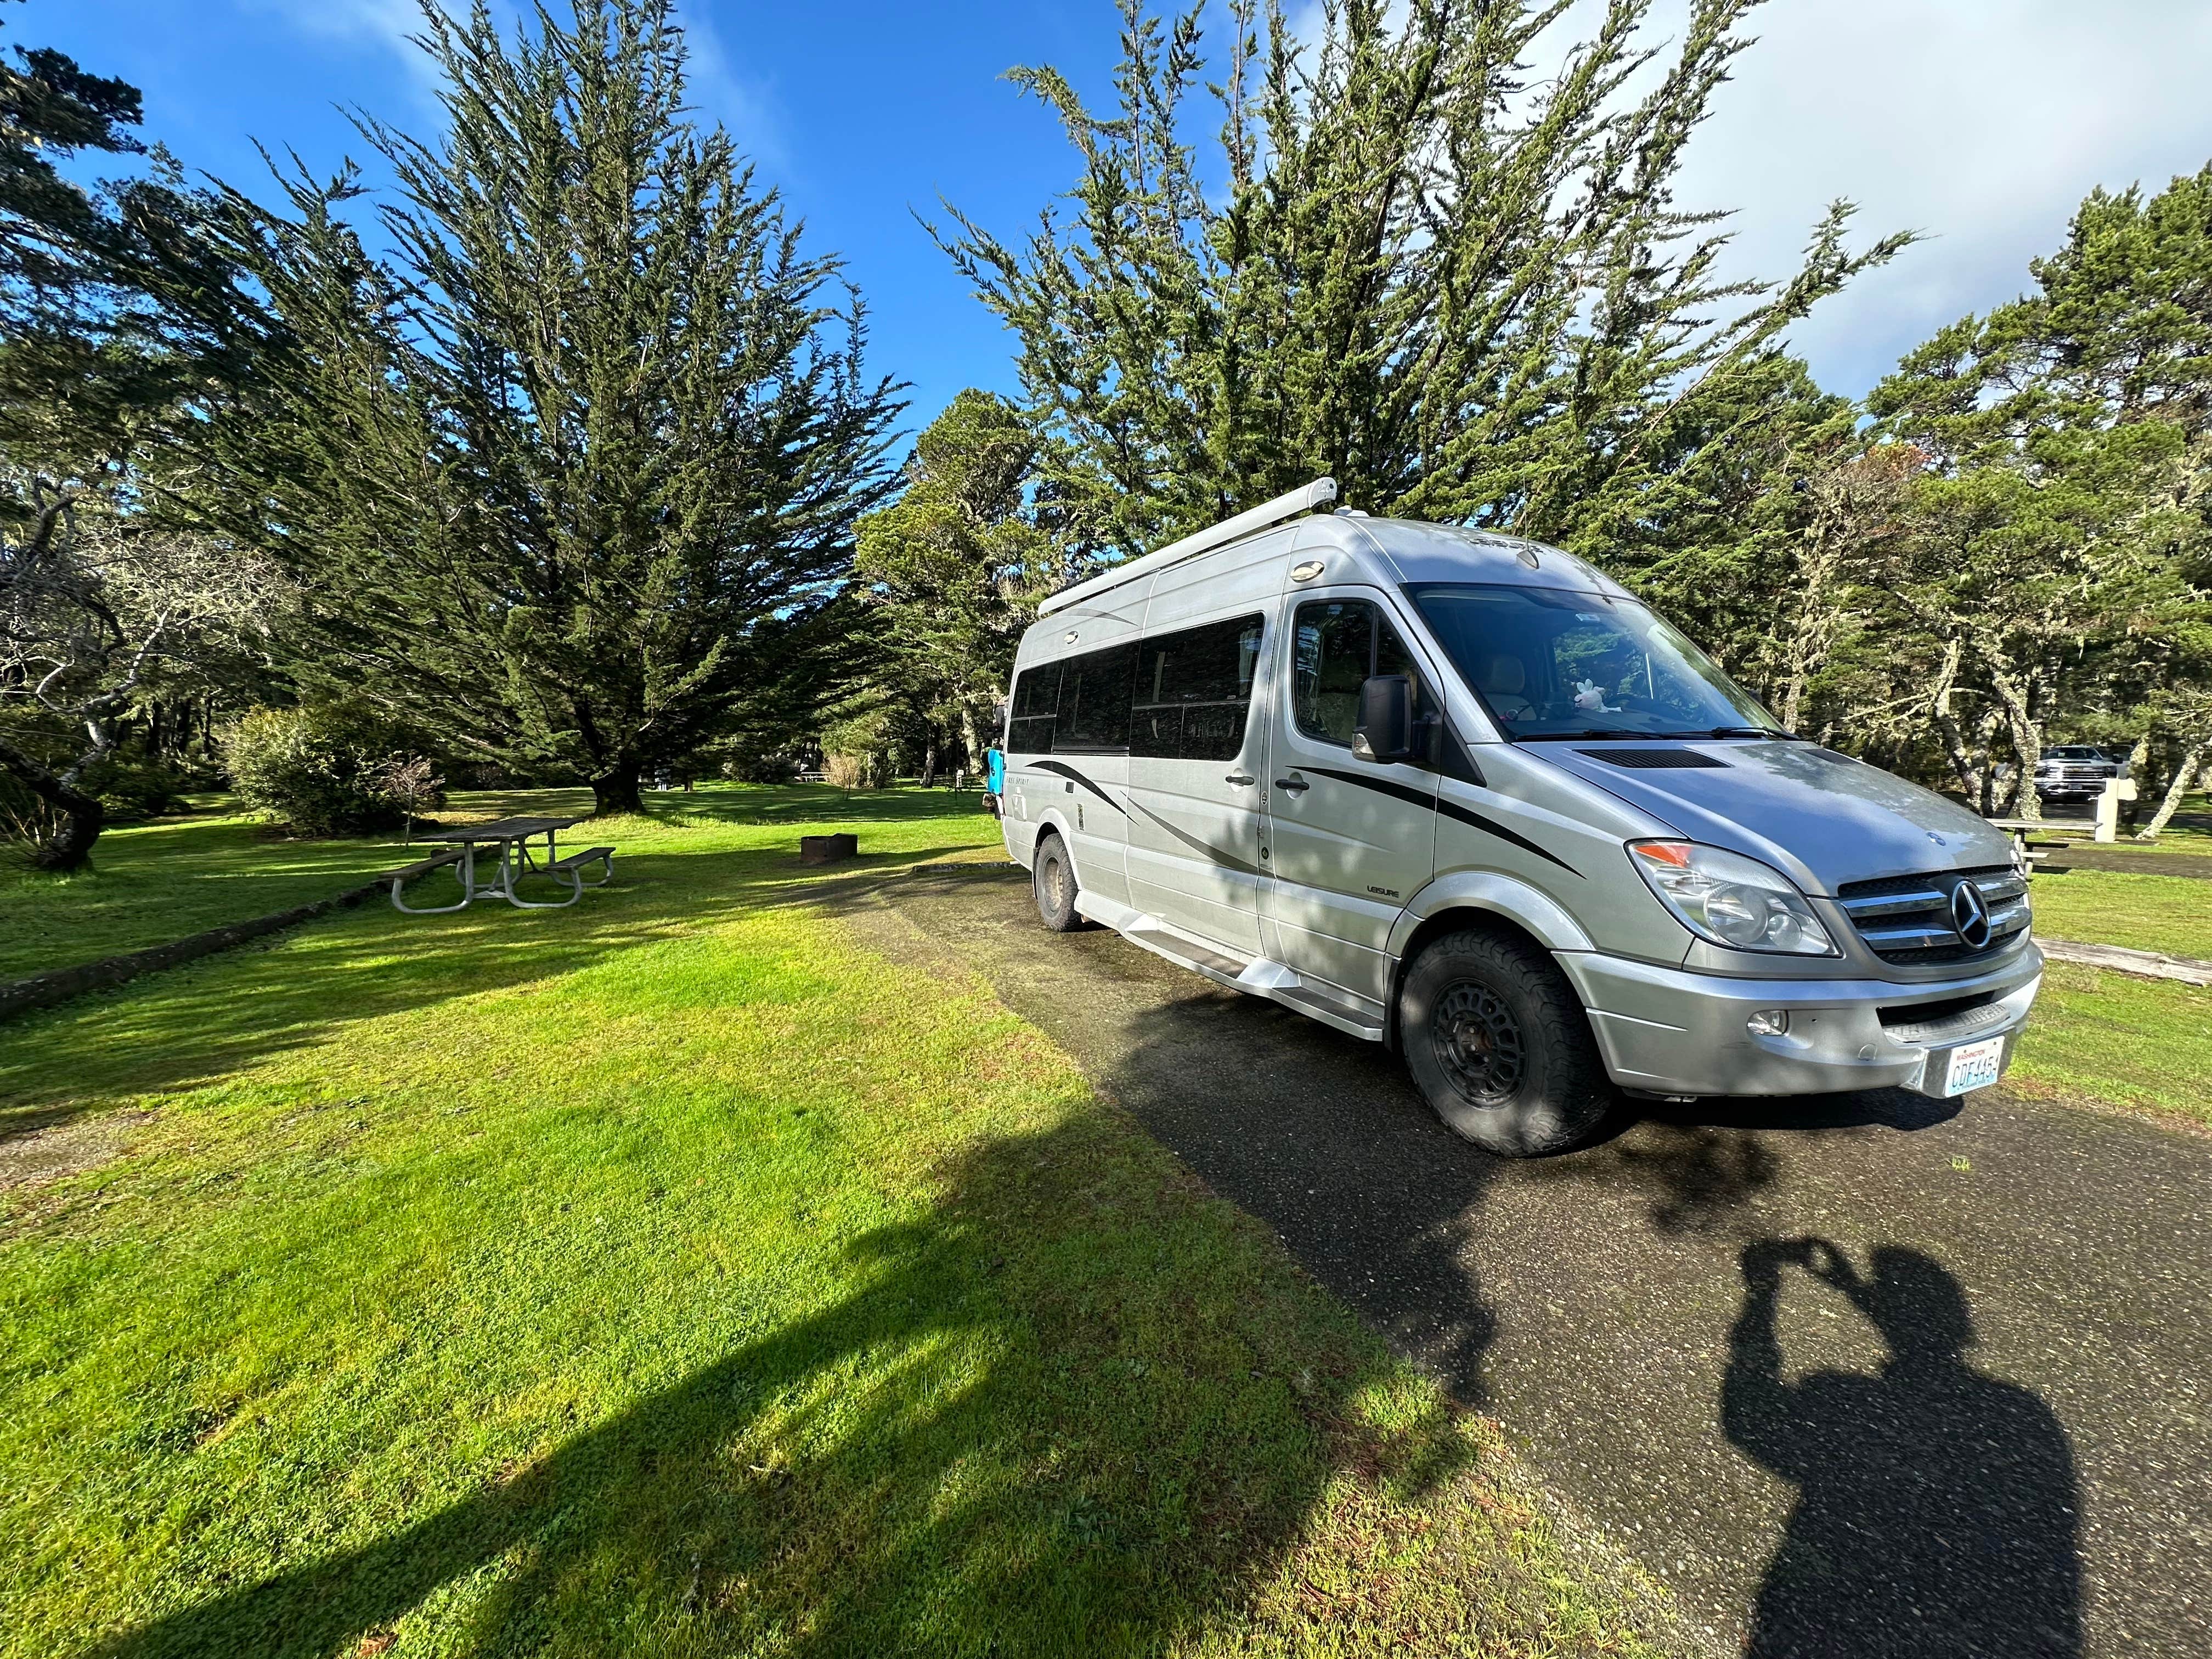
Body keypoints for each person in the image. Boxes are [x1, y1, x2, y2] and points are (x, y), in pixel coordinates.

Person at [983, 743, 1006, 817]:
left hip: (996, 783)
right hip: (999, 783)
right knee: (1000, 799)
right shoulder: (996, 753)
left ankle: (1001, 814)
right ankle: (1002, 814)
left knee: (999, 799)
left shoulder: (992, 753)